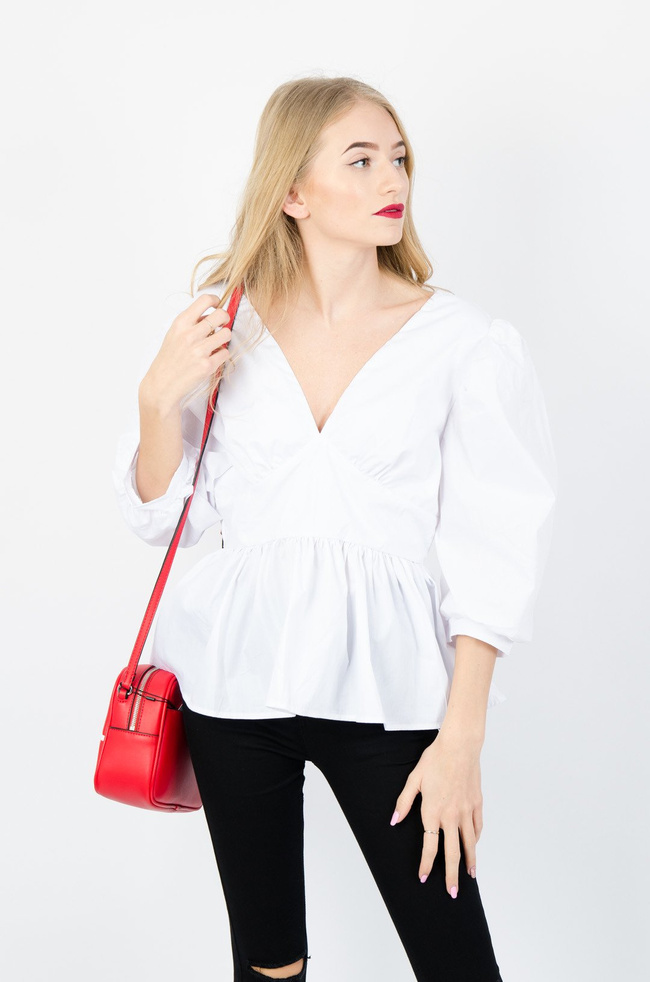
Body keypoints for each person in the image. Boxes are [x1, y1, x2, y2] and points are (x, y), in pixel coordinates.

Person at [112, 76, 557, 982]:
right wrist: (157, 399)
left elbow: (497, 545)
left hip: (387, 694)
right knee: (268, 967)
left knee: (457, 964)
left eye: (398, 158)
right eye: (360, 160)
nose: (392, 179)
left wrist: (461, 738)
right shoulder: (224, 325)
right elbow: (164, 516)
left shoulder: (464, 343)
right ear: (293, 191)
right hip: (232, 689)